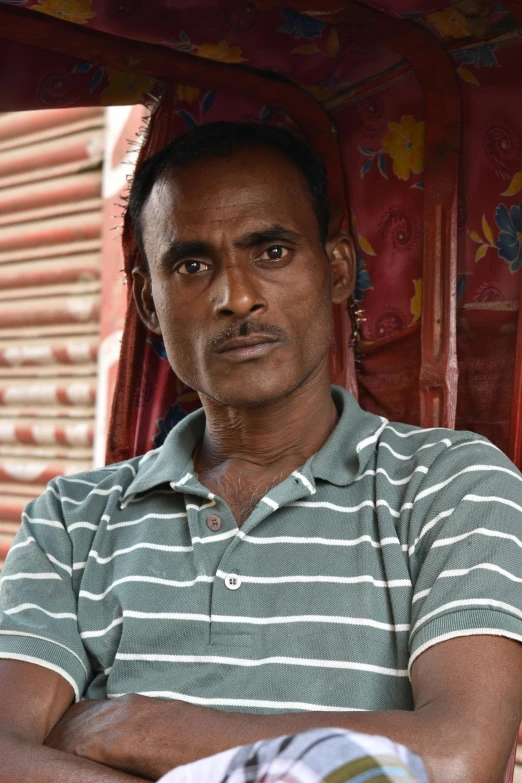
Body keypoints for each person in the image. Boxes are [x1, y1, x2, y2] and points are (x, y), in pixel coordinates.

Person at [0, 122, 520, 783]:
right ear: (147, 304)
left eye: (271, 252)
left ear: (336, 270)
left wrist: (146, 727)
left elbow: (455, 759)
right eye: (192, 266)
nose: (237, 297)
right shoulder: (72, 519)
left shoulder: (453, 484)